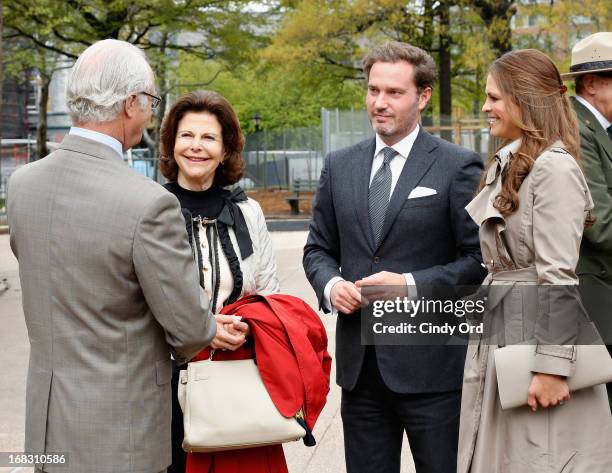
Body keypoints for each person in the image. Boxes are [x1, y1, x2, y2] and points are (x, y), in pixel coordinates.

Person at [6, 40, 216, 473]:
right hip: (123, 437)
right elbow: (190, 328)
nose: (152, 112)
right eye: (151, 100)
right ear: (130, 104)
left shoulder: (23, 185)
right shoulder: (148, 203)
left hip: (46, 431)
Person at [303, 41, 486, 473]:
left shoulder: (458, 166)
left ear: (423, 96)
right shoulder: (339, 165)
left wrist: (408, 286)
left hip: (435, 371)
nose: (379, 103)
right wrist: (332, 286)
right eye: (373, 90)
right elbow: (318, 249)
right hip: (360, 372)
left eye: (393, 93)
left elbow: (478, 260)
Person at [457, 48, 612, 473]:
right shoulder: (513, 161)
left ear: (525, 100)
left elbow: (559, 276)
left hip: (536, 343)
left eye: (494, 97)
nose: (485, 107)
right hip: (507, 330)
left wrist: (552, 368)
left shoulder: (553, 169)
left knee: (538, 457)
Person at [158, 90, 284, 473]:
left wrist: (243, 325)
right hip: (166, 381)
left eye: (209, 137)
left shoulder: (249, 212)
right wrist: (202, 329)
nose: (196, 147)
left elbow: (269, 292)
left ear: (226, 149)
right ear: (171, 144)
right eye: (187, 136)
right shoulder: (148, 208)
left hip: (236, 378)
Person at [561, 32, 612, 405]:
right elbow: (600, 222)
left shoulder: (599, 129)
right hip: (596, 304)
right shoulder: (577, 129)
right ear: (591, 83)